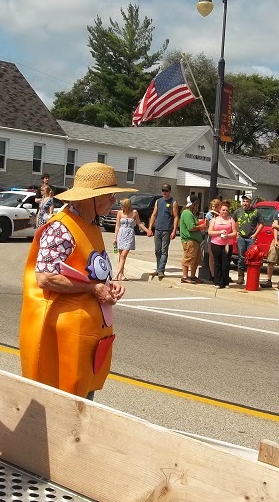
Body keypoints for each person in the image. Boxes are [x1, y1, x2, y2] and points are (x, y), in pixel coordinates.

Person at [19, 162, 136, 399]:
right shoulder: (62, 228)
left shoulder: (91, 225)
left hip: (88, 332)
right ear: (90, 198)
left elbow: (89, 270)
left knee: (83, 395)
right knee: (67, 401)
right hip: (64, 336)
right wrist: (93, 288)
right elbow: (45, 277)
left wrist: (108, 285)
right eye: (108, 195)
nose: (113, 200)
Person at [147, 184, 179, 280]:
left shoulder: (173, 202)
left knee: (164, 250)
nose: (164, 192)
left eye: (166, 191)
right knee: (157, 250)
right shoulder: (158, 201)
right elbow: (154, 214)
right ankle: (158, 268)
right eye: (163, 190)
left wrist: (174, 230)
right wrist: (149, 228)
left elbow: (176, 217)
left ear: (170, 191)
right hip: (158, 229)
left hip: (167, 229)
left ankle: (161, 270)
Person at [113, 197, 146, 280]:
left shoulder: (134, 212)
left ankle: (116, 274)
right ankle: (121, 274)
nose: (121, 207)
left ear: (127, 206)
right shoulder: (120, 213)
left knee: (124, 255)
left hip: (129, 234)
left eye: (122, 205)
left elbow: (139, 223)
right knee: (120, 255)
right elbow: (117, 225)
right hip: (121, 234)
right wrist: (115, 238)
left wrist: (147, 230)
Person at [208, 200, 237, 288]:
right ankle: (217, 282)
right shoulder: (214, 220)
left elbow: (235, 233)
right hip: (216, 243)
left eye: (226, 210)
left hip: (227, 244)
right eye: (223, 210)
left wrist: (228, 236)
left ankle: (225, 282)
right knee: (217, 263)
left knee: (226, 264)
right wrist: (219, 232)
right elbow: (210, 232)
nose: (224, 212)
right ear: (219, 211)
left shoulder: (231, 220)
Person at [234, 195, 262, 285]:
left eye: (247, 201)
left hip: (251, 238)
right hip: (241, 237)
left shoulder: (256, 212)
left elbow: (261, 223)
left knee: (251, 257)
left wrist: (255, 234)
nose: (245, 203)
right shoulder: (238, 211)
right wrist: (236, 232)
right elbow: (233, 221)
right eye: (244, 201)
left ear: (250, 202)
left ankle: (250, 276)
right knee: (241, 256)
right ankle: (240, 276)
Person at [180, 196, 204, 283]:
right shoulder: (187, 213)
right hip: (189, 240)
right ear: (193, 204)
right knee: (188, 258)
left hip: (195, 240)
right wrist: (201, 226)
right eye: (196, 203)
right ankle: (185, 277)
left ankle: (193, 276)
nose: (198, 205)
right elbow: (191, 227)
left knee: (196, 260)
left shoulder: (192, 213)